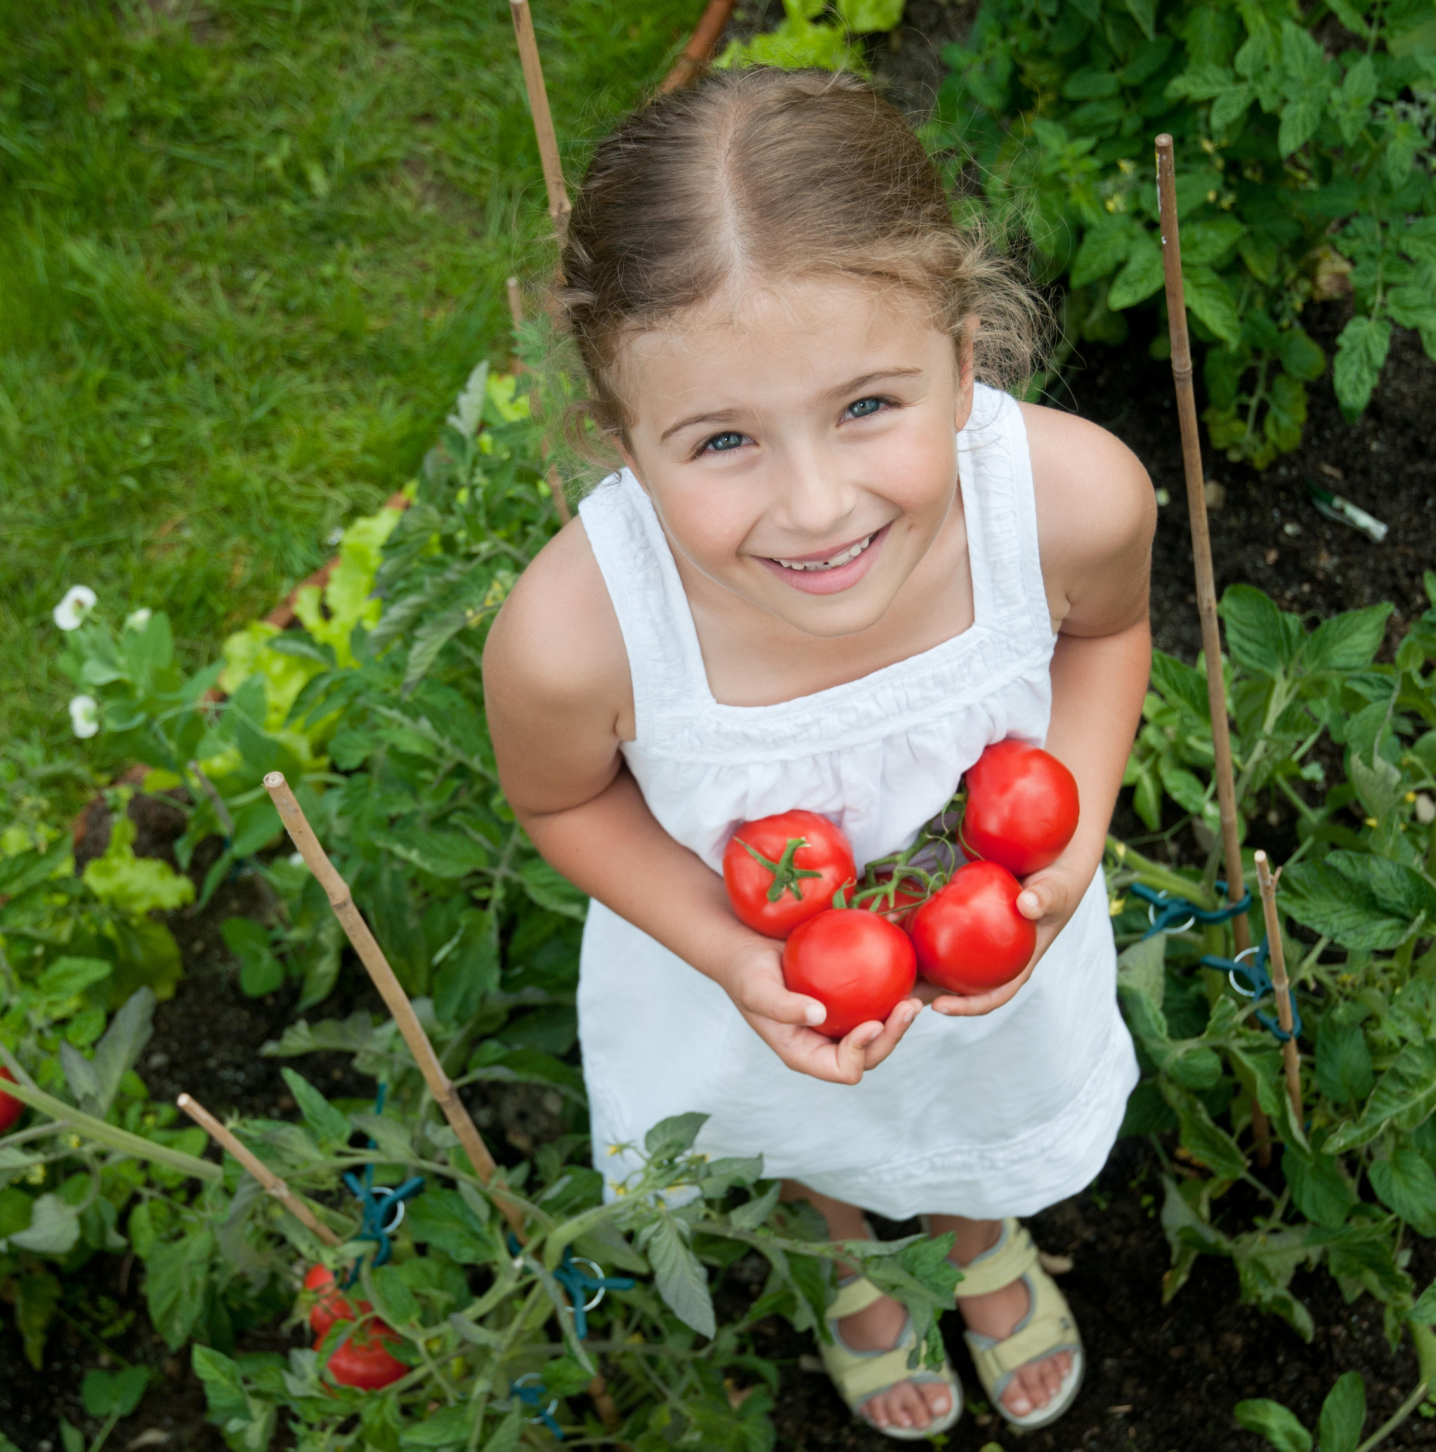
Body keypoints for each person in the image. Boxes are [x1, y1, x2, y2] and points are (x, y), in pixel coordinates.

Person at [485, 66, 1154, 1440]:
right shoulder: (575, 640)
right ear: (619, 438)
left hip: (996, 933)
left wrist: (1075, 828)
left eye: (867, 407)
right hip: (747, 971)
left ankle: (975, 1235)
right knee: (796, 1117)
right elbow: (562, 803)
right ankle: (848, 1252)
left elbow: (1108, 635)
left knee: (973, 1088)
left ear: (963, 357)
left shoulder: (1069, 500)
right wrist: (735, 957)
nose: (814, 506)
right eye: (723, 439)